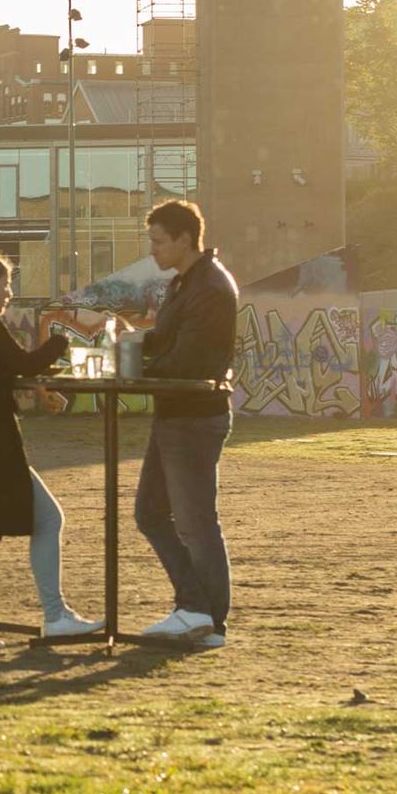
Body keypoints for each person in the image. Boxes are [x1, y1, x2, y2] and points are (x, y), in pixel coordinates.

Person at [0, 254, 103, 654]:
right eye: (4, 284)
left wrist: (36, 388)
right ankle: (55, 615)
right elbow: (25, 362)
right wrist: (66, 336)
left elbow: (0, 371)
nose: (8, 292)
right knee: (46, 518)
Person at [134, 199, 239, 648]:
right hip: (175, 413)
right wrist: (135, 341)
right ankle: (194, 608)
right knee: (152, 513)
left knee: (195, 523)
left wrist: (137, 367)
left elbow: (189, 358)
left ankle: (209, 622)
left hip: (194, 416)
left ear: (182, 238)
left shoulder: (210, 287)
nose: (153, 250)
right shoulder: (184, 284)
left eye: (158, 241)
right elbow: (169, 340)